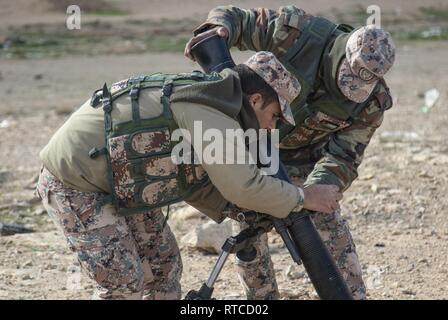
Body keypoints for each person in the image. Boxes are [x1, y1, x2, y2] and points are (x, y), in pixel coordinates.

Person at [35, 51, 342, 299]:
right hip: (75, 183)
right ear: (256, 100)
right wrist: (305, 196)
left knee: (163, 266)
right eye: (275, 116)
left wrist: (243, 209)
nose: (271, 128)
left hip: (123, 184)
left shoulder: (217, 104)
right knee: (122, 283)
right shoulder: (211, 111)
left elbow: (192, 177)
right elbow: (243, 186)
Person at [185, 5, 396, 300]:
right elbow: (237, 18)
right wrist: (220, 28)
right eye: (347, 76)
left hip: (304, 160)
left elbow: (344, 156)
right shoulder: (299, 34)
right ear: (341, 55)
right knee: (249, 229)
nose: (350, 88)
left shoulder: (371, 102)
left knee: (326, 224)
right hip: (249, 141)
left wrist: (311, 193)